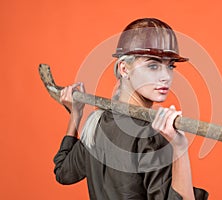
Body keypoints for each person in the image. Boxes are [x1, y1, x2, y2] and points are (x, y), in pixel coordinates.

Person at [54, 18, 208, 200]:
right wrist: (179, 147)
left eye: (170, 66)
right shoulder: (151, 134)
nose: (166, 76)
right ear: (124, 68)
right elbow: (65, 173)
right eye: (153, 65)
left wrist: (76, 116)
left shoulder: (95, 124)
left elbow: (62, 173)